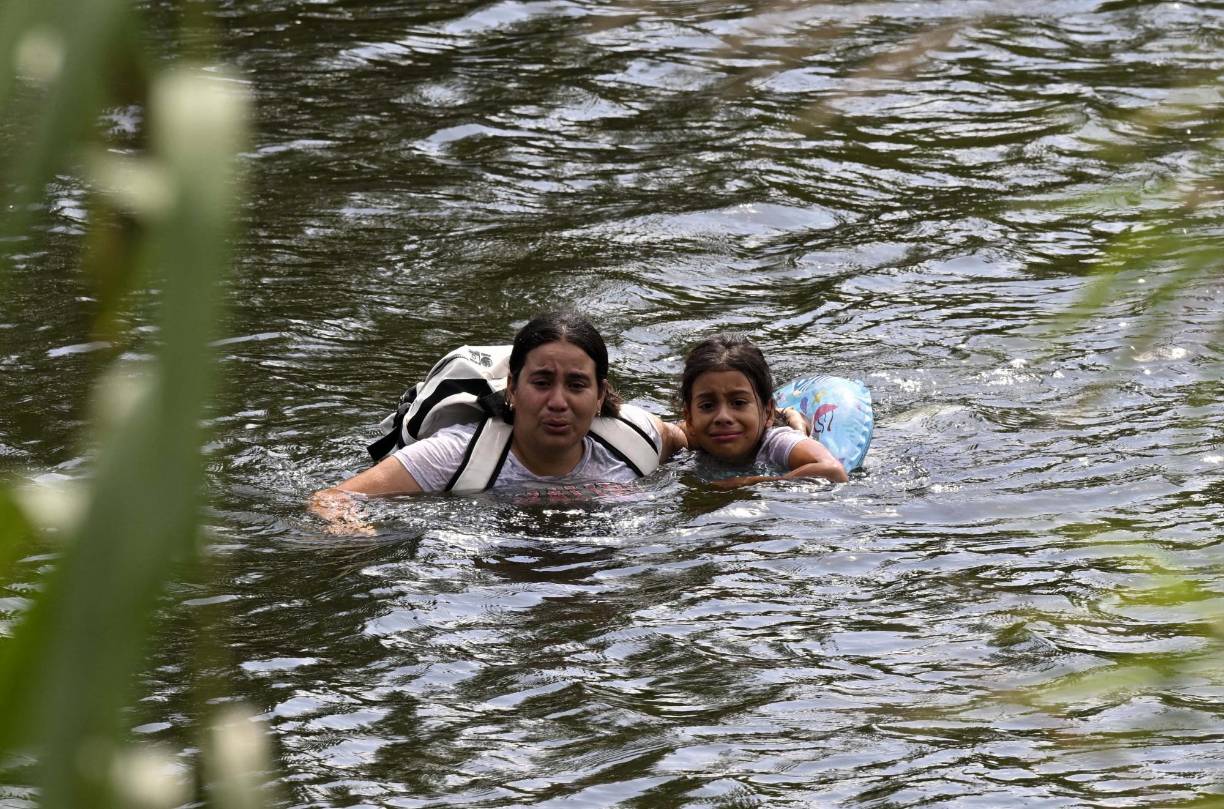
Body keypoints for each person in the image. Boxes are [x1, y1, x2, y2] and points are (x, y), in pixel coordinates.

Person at [311, 311, 688, 534]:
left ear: (600, 396)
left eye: (576, 385)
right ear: (512, 388)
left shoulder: (638, 439)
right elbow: (331, 498)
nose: (558, 402)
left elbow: (703, 437)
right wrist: (353, 530)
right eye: (541, 383)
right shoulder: (455, 455)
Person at [679, 333, 848, 487]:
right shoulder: (691, 437)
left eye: (738, 402)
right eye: (707, 406)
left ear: (767, 412)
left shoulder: (777, 443)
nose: (723, 417)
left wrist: (749, 482)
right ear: (690, 418)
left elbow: (833, 470)